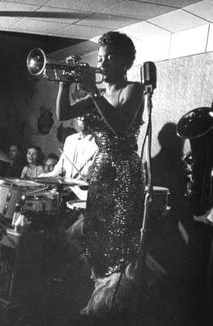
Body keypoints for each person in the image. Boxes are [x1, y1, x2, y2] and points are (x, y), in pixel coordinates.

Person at [55, 31, 145, 321]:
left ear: (124, 62)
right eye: (100, 57)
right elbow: (63, 113)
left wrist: (92, 91)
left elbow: (119, 126)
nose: (102, 62)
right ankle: (98, 300)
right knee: (95, 238)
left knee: (118, 240)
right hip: (103, 169)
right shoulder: (101, 94)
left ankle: (114, 305)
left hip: (125, 171)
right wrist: (65, 82)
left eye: (108, 57)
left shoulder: (134, 89)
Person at [39, 116, 98, 181]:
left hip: (84, 189)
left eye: (86, 116)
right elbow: (59, 168)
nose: (82, 119)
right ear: (76, 119)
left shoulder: (98, 142)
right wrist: (44, 177)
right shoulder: (70, 139)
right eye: (80, 116)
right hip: (67, 188)